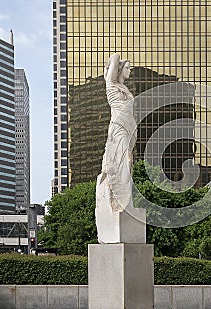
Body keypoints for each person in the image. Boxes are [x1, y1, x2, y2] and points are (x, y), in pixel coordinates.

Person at [95, 53, 136, 243]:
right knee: (123, 161)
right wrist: (118, 62)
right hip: (119, 127)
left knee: (129, 163)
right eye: (127, 68)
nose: (130, 70)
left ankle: (126, 200)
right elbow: (114, 56)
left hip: (129, 128)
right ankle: (120, 200)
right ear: (119, 69)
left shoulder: (125, 88)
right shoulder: (111, 84)